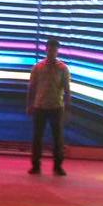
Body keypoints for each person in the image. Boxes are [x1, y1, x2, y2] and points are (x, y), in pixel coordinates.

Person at [27, 36, 71, 176]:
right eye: (50, 49)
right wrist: (29, 104)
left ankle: (58, 166)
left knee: (57, 138)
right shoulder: (38, 67)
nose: (52, 52)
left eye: (54, 50)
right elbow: (32, 87)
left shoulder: (63, 68)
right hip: (40, 106)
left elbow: (67, 89)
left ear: (57, 51)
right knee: (37, 138)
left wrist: (67, 108)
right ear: (46, 50)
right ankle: (36, 165)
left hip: (56, 107)